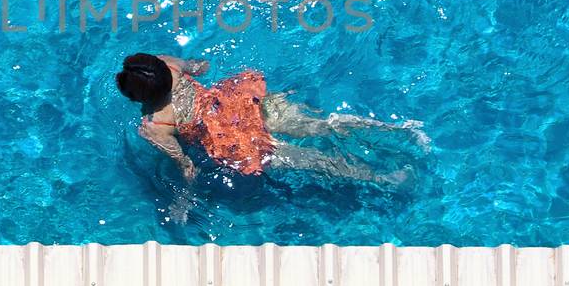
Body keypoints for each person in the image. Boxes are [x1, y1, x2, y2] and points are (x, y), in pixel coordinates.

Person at [115, 52, 428, 185]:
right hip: (236, 104)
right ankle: (400, 131)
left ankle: (384, 179)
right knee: (323, 124)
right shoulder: (169, 64)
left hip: (230, 139)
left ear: (138, 98)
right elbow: (202, 67)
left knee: (313, 160)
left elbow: (186, 166)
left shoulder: (155, 124)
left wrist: (183, 198)